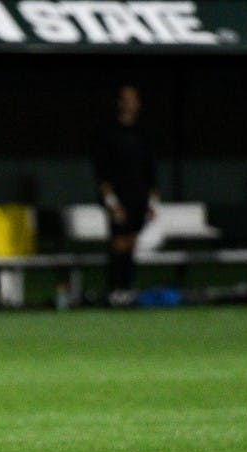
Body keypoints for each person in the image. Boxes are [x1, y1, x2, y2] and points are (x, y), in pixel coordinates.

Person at [93, 84, 159, 307]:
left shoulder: (144, 133)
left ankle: (127, 289)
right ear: (120, 103)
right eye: (127, 99)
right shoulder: (108, 132)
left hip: (139, 197)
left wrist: (152, 202)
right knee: (118, 243)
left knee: (131, 242)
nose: (131, 104)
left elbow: (151, 170)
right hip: (118, 198)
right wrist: (112, 202)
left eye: (134, 100)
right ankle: (114, 289)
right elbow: (102, 173)